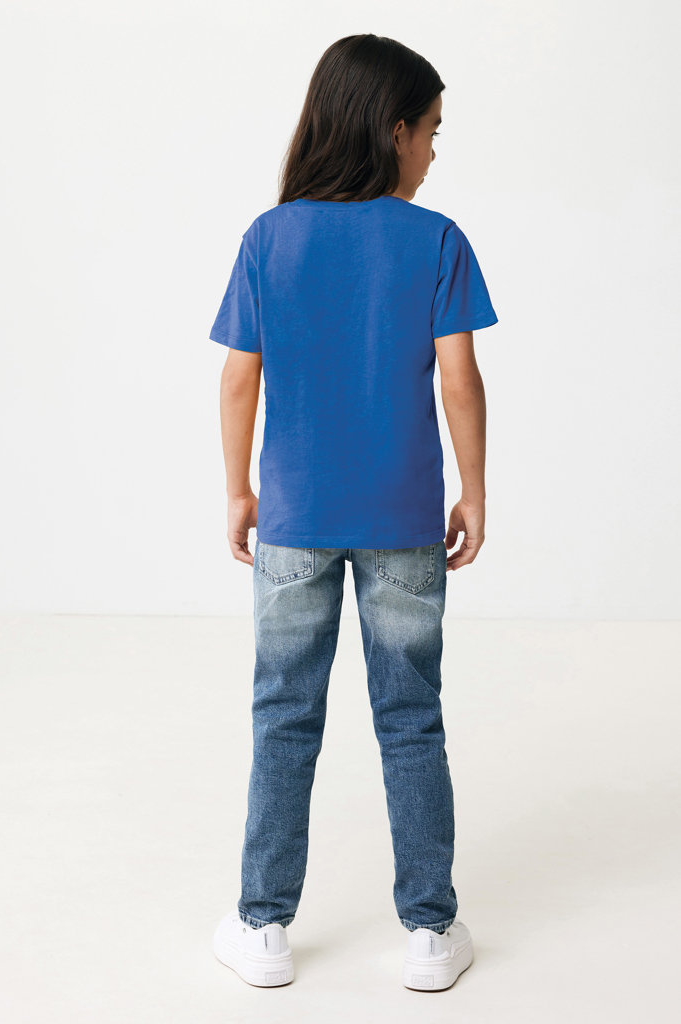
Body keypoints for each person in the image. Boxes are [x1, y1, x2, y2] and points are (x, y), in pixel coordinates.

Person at [208, 33, 498, 992]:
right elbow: (459, 379)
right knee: (410, 719)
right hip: (403, 521)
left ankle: (262, 927)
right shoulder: (434, 240)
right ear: (393, 128)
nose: (433, 152)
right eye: (431, 133)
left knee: (283, 716)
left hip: (294, 518)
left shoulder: (270, 237)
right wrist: (473, 490)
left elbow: (238, 379)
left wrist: (239, 490)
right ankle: (429, 933)